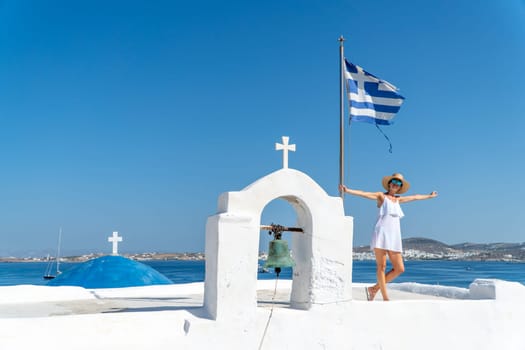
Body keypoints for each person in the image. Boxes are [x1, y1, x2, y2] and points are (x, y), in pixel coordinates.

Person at [339, 173, 438, 301]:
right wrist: (348, 190)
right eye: (394, 182)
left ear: (400, 187)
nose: (395, 185)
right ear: (389, 183)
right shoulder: (381, 196)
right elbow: (365, 194)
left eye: (398, 184)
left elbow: (415, 197)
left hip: (394, 236)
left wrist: (429, 196)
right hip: (381, 233)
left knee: (400, 268)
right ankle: (385, 298)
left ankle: (373, 289)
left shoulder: (398, 200)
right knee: (382, 266)